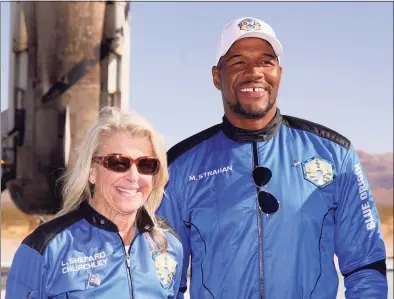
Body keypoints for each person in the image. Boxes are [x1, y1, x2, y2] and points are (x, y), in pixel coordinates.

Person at [157, 16, 388, 298]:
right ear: (218, 76)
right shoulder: (181, 166)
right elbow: (165, 280)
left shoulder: (334, 154)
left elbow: (365, 266)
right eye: (238, 62)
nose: (254, 72)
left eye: (266, 61)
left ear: (279, 73)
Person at [6, 107, 183, 299]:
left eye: (146, 165)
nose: (134, 177)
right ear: (91, 171)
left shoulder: (168, 244)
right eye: (118, 163)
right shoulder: (44, 248)